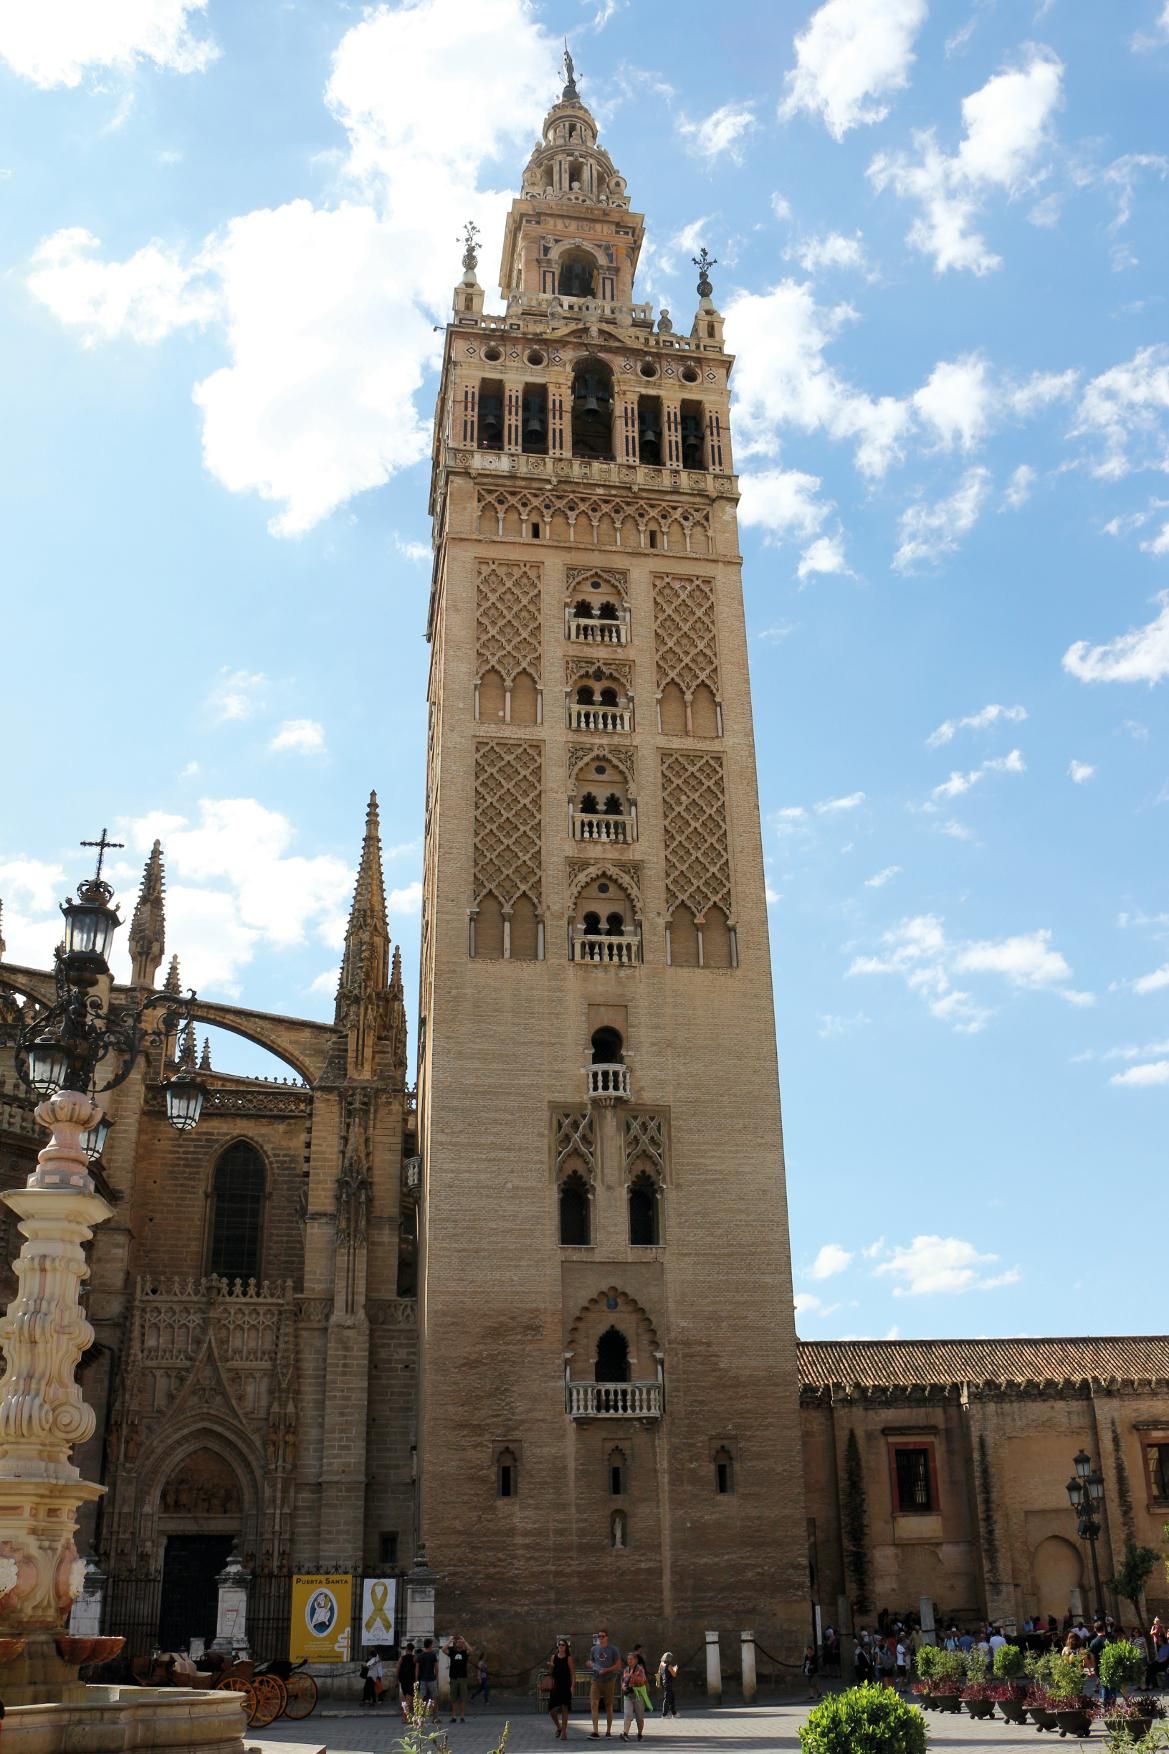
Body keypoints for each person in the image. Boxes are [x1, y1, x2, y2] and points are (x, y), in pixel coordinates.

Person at [589, 1628, 622, 1738]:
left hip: (609, 1680)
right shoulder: (594, 1649)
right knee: (594, 1704)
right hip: (596, 1679)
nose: (601, 1638)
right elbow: (591, 1661)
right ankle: (595, 1731)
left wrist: (606, 1670)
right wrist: (591, 1665)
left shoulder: (613, 1649)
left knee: (608, 1705)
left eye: (603, 1636)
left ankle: (608, 1731)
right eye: (599, 1636)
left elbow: (618, 1665)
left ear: (607, 1637)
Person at [548, 1638, 575, 1741]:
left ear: (566, 1647)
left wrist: (573, 1686)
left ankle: (564, 1731)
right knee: (551, 1710)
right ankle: (559, 1727)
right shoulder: (553, 1657)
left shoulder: (569, 1658)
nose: (561, 1646)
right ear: (557, 1646)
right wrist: (550, 1667)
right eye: (559, 1645)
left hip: (565, 1685)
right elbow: (551, 1673)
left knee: (565, 1709)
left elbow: (572, 1673)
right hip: (556, 1685)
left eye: (563, 1645)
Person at [620, 1651, 648, 1741]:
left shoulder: (640, 1669)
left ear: (636, 1660)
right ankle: (625, 1733)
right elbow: (623, 1681)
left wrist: (632, 1676)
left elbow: (643, 1681)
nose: (629, 1661)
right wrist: (624, 1687)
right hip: (628, 1696)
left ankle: (640, 1734)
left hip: (638, 1695)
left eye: (631, 1659)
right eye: (628, 1659)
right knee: (627, 1715)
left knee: (639, 1718)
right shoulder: (626, 1669)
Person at [445, 1636, 471, 1724]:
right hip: (454, 1677)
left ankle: (462, 1716)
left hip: (463, 1678)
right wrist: (449, 1641)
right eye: (458, 1642)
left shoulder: (464, 1652)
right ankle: (454, 1716)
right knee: (454, 1698)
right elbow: (443, 1650)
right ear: (455, 1644)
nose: (459, 1643)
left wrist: (465, 1640)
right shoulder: (452, 1652)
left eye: (461, 1642)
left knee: (463, 1698)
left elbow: (471, 1650)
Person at [416, 1637, 439, 1713]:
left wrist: (416, 1679)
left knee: (422, 1698)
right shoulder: (433, 1655)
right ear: (430, 1645)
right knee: (434, 1698)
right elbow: (436, 1668)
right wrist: (436, 1676)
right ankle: (434, 1717)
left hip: (422, 1679)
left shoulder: (420, 1656)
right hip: (432, 1679)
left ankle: (420, 1717)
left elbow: (417, 1669)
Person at [397, 1642, 417, 1720]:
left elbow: (398, 1668)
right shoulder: (414, 1658)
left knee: (405, 1698)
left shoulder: (402, 1658)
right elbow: (416, 1670)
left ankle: (405, 1716)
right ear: (412, 1650)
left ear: (406, 1649)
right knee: (409, 1699)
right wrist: (416, 1679)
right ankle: (406, 1717)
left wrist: (397, 1678)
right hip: (411, 1680)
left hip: (403, 1680)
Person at [656, 1652, 678, 1718]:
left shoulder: (661, 1664)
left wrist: (658, 1683)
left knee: (671, 1698)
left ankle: (674, 1713)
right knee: (668, 1699)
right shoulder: (669, 1666)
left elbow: (658, 1673)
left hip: (664, 1683)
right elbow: (674, 1675)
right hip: (669, 1684)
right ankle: (664, 1714)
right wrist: (676, 1669)